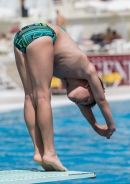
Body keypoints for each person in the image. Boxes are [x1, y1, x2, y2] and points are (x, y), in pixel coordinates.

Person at [13, 23, 116, 172]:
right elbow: (101, 100)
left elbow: (82, 103)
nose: (80, 103)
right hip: (42, 33)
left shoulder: (67, 75)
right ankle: (50, 153)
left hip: (21, 37)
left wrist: (94, 125)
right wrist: (110, 125)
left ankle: (38, 152)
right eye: (86, 100)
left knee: (30, 97)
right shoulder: (88, 70)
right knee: (42, 97)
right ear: (89, 87)